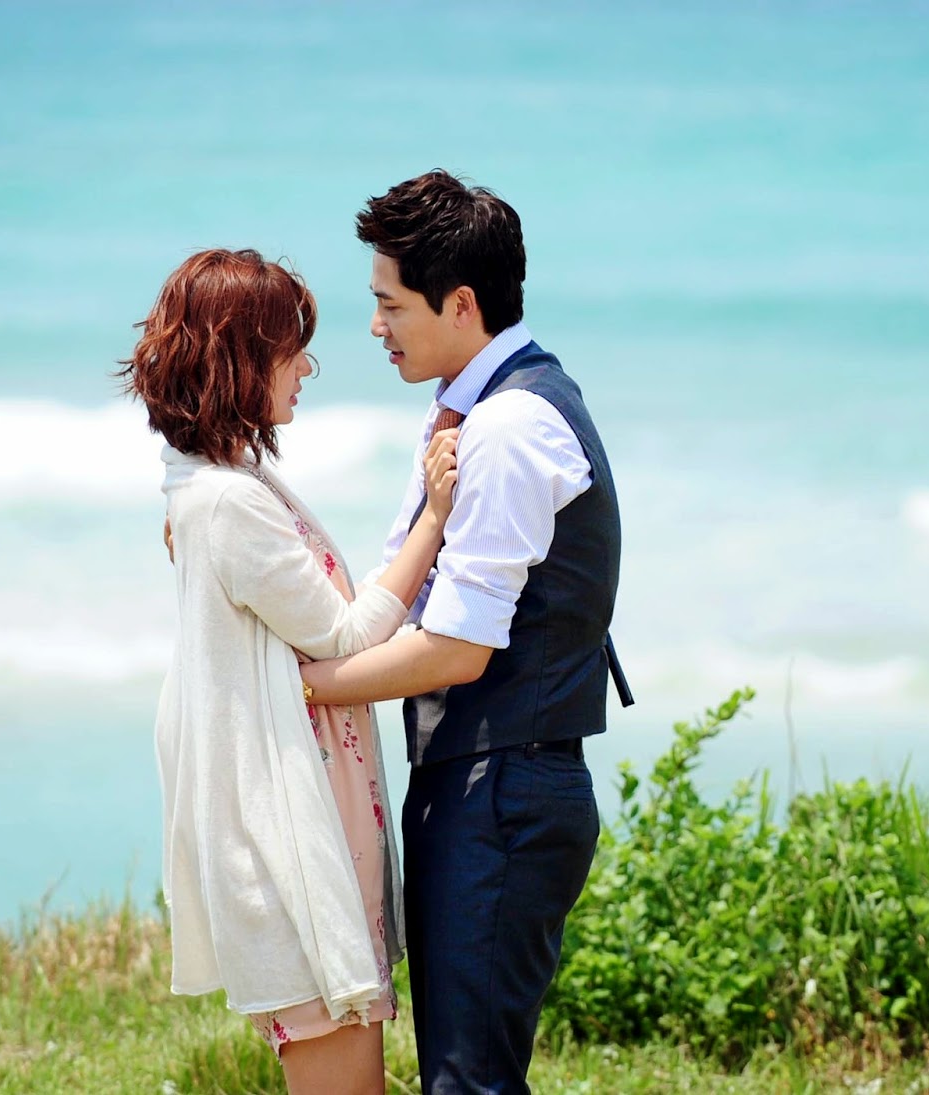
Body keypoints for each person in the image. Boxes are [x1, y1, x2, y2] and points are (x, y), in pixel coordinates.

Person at [298, 171, 632, 1093]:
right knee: (465, 1072)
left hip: (504, 789)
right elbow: (409, 597)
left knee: (467, 1082)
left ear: (460, 303)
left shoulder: (510, 425)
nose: (375, 326)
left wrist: (300, 686)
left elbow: (456, 647)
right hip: (482, 779)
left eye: (390, 303)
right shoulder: (470, 410)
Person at [120, 247, 460, 1095]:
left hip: (317, 825)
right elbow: (346, 636)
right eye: (289, 349)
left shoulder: (222, 484)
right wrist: (436, 516)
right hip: (293, 846)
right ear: (238, 358)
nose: (306, 367)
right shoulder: (228, 501)